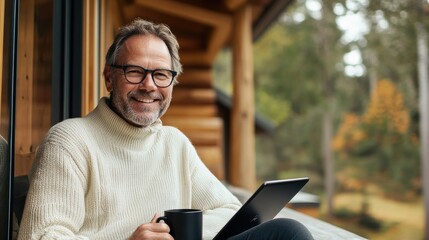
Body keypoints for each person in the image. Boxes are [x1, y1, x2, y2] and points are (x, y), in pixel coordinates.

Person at [18, 18, 313, 240]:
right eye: (135, 72)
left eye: (161, 75)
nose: (149, 86)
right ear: (110, 78)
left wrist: (171, 231)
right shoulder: (70, 141)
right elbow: (42, 236)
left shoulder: (174, 143)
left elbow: (228, 211)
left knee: (288, 232)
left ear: (172, 83)